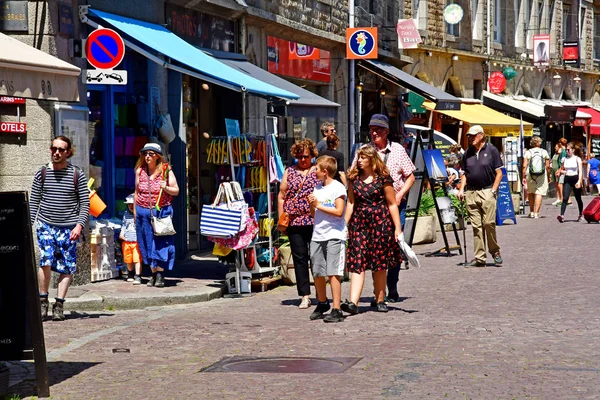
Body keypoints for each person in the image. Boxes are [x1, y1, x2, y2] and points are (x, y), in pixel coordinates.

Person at [30, 136, 89, 321]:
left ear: (68, 152)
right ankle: (42, 300)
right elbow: (34, 201)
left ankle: (59, 304)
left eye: (61, 150)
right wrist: (27, 225)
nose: (56, 152)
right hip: (46, 224)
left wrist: (79, 226)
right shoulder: (42, 173)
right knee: (45, 261)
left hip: (69, 227)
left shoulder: (76, 174)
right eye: (54, 148)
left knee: (67, 266)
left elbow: (85, 204)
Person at [359, 114, 415, 303]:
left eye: (378, 129)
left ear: (387, 132)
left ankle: (392, 285)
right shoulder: (364, 151)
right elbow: (353, 174)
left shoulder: (398, 150)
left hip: (395, 205)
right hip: (373, 207)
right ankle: (379, 290)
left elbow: (411, 177)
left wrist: (400, 195)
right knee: (376, 247)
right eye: (372, 129)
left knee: (395, 243)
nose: (374, 132)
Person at [342, 145, 402, 315]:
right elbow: (351, 203)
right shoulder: (354, 178)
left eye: (362, 157)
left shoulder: (383, 178)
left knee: (379, 263)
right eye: (358, 157)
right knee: (357, 261)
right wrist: (344, 225)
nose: (359, 160)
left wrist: (397, 228)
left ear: (371, 159)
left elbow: (392, 204)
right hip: (359, 224)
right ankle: (353, 303)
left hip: (380, 223)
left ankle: (380, 299)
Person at [278, 138, 319, 309]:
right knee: (299, 258)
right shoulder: (289, 171)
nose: (303, 160)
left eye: (306, 156)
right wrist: (282, 219)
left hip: (315, 220)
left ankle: (321, 291)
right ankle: (305, 295)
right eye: (300, 156)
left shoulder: (317, 171)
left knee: (317, 257)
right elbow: (281, 196)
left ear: (312, 156)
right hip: (295, 221)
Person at [307, 156, 347, 323]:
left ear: (325, 171)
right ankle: (322, 302)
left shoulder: (338, 188)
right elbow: (312, 214)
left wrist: (318, 205)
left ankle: (336, 308)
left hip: (334, 234)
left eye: (316, 169)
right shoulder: (317, 188)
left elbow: (339, 211)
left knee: (333, 272)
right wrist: (311, 204)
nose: (314, 171)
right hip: (318, 234)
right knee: (317, 271)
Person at [134, 143, 179, 288]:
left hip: (160, 213)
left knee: (160, 243)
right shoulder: (140, 171)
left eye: (151, 154)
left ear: (158, 156)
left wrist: (165, 187)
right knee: (146, 243)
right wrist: (135, 212)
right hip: (142, 212)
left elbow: (176, 190)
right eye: (145, 153)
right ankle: (153, 274)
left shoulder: (166, 171)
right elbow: (136, 192)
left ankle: (160, 274)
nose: (147, 156)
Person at [457, 125, 503, 267]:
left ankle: (494, 251)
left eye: (473, 135)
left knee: (488, 223)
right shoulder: (467, 153)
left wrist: (493, 191)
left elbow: (499, 173)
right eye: (469, 136)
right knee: (476, 227)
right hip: (471, 192)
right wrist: (461, 189)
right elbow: (464, 173)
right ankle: (480, 258)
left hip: (487, 191)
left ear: (482, 135)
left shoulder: (492, 150)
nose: (470, 138)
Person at [522, 136, 551, 218]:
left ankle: (531, 211)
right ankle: (536, 213)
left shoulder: (528, 152)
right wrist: (549, 176)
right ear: (539, 143)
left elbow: (524, 165)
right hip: (541, 173)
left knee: (531, 192)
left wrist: (523, 176)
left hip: (530, 173)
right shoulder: (544, 152)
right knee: (539, 192)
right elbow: (548, 166)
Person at [557, 142, 584, 223]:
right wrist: (560, 172)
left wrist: (579, 181)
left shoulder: (577, 159)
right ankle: (562, 215)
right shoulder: (564, 159)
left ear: (573, 150)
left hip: (575, 178)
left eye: (568, 150)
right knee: (565, 197)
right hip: (567, 179)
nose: (567, 151)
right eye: (566, 150)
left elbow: (580, 171)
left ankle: (580, 214)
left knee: (578, 198)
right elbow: (562, 169)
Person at [120, 194, 142, 285]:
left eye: (133, 204)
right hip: (127, 240)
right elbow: (124, 225)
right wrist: (122, 233)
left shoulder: (139, 215)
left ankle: (138, 275)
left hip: (136, 240)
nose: (131, 206)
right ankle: (130, 273)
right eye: (129, 204)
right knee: (128, 259)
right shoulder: (125, 214)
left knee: (137, 259)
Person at [554, 138, 569, 206]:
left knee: (560, 185)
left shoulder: (563, 151)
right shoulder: (564, 150)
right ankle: (565, 199)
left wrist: (559, 170)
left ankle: (562, 199)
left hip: (563, 169)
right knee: (562, 184)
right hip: (563, 169)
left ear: (560, 143)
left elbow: (563, 162)